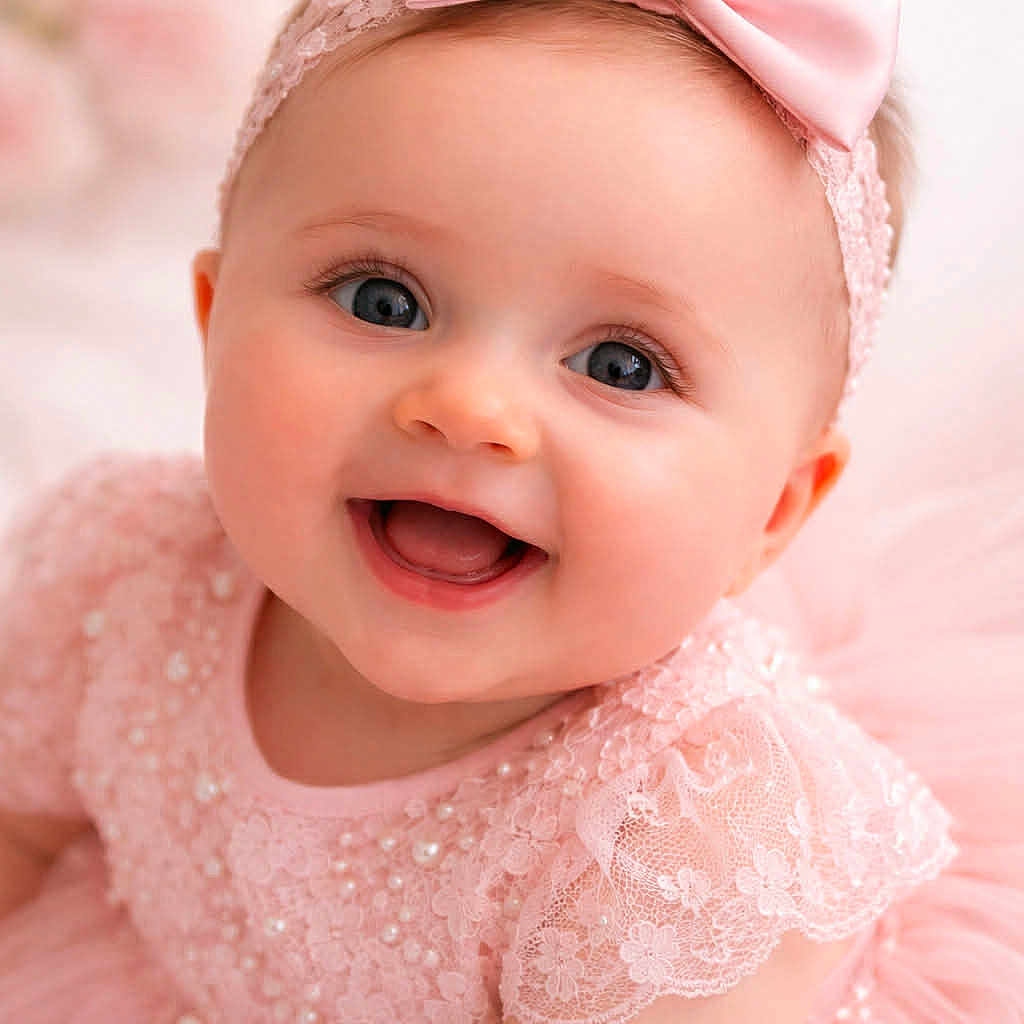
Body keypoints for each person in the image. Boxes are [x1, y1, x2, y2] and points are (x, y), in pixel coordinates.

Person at [1, 0, 1021, 1021]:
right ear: (215, 322)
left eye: (620, 365)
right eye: (381, 300)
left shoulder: (684, 840)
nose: (470, 408)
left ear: (773, 512)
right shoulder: (123, 572)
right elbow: (18, 826)